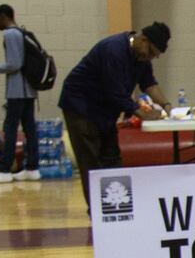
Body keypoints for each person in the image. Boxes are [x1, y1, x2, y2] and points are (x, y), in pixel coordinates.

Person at [58, 23, 170, 208]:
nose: (149, 57)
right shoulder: (114, 50)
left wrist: (167, 106)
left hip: (105, 110)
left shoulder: (142, 58)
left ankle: (116, 208)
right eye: (150, 52)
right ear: (142, 40)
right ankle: (97, 212)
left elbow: (149, 83)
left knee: (112, 158)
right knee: (92, 162)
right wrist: (143, 113)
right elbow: (115, 93)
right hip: (81, 106)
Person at [0, 3, 40, 185]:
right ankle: (32, 168)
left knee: (10, 129)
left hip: (17, 91)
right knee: (29, 129)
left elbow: (14, 64)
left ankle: (4, 169)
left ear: (3, 16)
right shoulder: (22, 33)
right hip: (29, 90)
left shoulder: (10, 34)